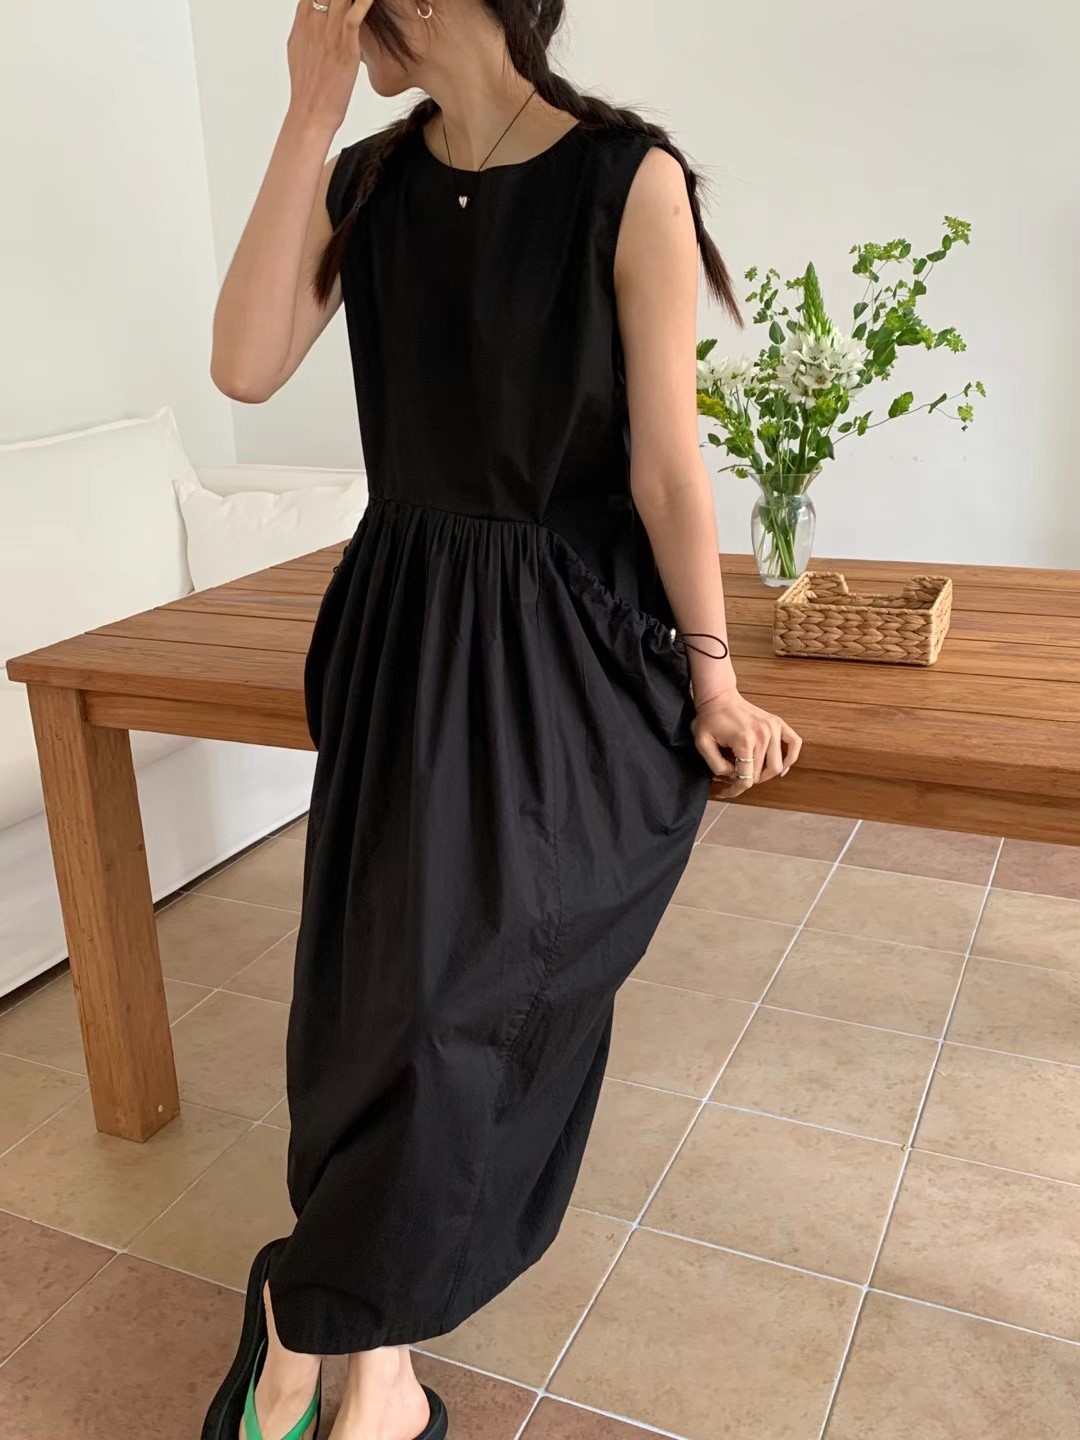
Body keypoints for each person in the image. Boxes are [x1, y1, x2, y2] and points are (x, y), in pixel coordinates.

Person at [204, 0, 801, 1436]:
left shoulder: (627, 180)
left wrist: (714, 675)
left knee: (465, 1005)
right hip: (403, 631)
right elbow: (244, 366)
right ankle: (369, 1365)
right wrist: (306, 110)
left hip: (561, 652)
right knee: (365, 1002)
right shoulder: (367, 178)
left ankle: (312, 1316)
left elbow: (667, 469)